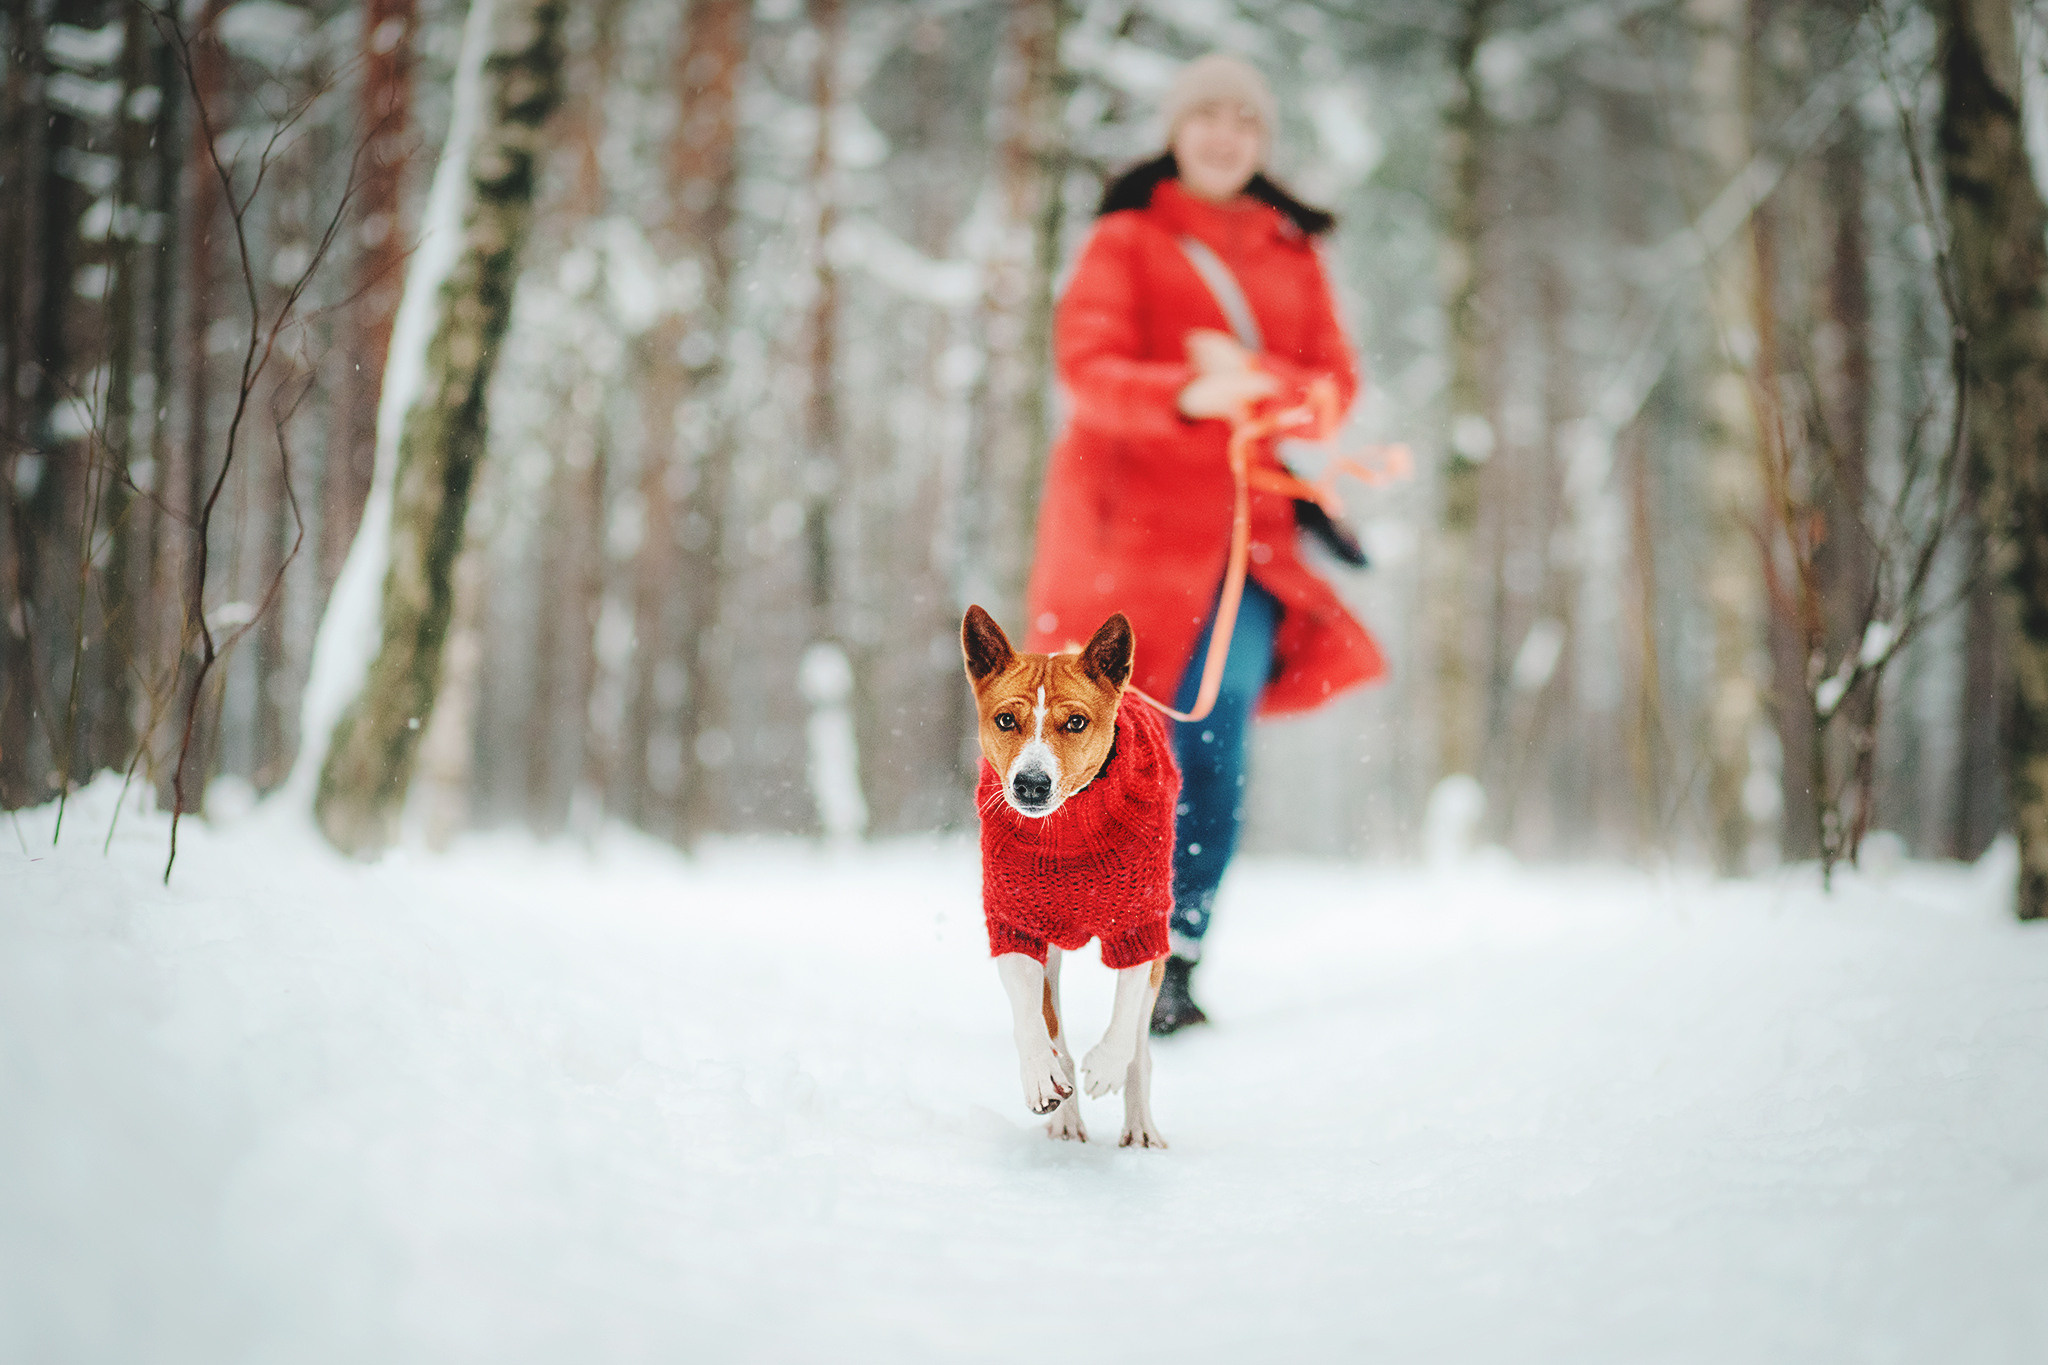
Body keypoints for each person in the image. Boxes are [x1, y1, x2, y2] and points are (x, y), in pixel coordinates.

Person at [1022, 53, 1386, 1034]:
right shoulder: (1127, 241)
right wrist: (1186, 392)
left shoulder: (1287, 248)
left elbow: (1330, 388)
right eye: (1206, 117)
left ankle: (1174, 958)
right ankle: (1059, 934)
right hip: (1122, 543)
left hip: (1244, 546)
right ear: (1176, 132)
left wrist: (1258, 384)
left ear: (1261, 139)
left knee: (1213, 749)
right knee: (1105, 751)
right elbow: (1086, 373)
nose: (1225, 134)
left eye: (1244, 119)